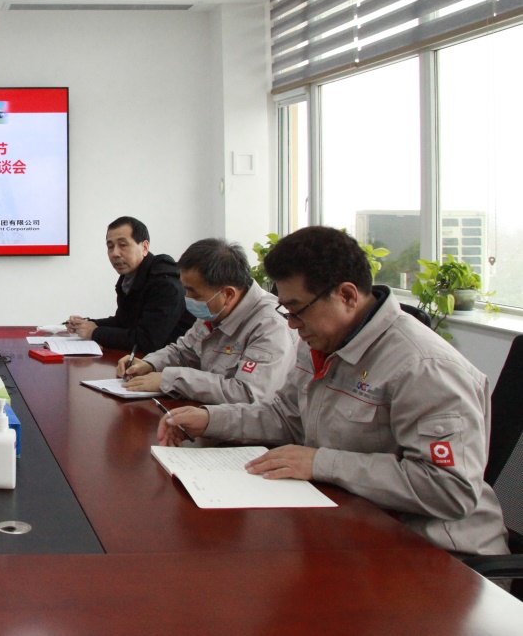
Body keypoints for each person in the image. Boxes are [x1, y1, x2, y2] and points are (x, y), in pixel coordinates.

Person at [158, 226, 509, 557]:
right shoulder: (321, 340)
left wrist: (320, 462)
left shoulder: (425, 367)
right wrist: (210, 419)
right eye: (285, 309)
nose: (290, 324)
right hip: (353, 525)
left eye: (297, 309)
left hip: (436, 554)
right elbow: (285, 416)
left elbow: (450, 489)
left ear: (347, 296)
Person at [118, 238, 297, 404]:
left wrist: (172, 380)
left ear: (228, 294)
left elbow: (248, 394)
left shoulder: (270, 325)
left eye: (194, 293)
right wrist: (150, 364)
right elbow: (183, 351)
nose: (187, 298)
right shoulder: (215, 310)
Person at [67, 216, 194, 353]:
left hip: (177, 361)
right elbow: (124, 322)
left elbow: (147, 341)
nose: (115, 253)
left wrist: (94, 332)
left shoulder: (165, 284)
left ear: (144, 247)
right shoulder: (130, 277)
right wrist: (86, 324)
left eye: (122, 245)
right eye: (110, 246)